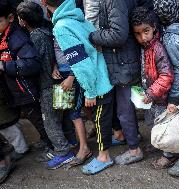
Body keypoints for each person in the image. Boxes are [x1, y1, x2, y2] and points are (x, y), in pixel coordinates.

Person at [42, 0, 113, 172]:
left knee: (99, 119)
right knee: (100, 117)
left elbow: (81, 63)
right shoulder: (78, 17)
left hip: (96, 81)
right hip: (103, 72)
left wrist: (90, 91)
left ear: (44, 3)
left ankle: (104, 157)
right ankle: (114, 137)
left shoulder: (62, 27)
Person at [16, 1, 75, 169]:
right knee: (63, 116)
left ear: (22, 21)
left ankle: (63, 152)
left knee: (50, 121)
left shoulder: (35, 37)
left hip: (47, 85)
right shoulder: (49, 29)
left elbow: (36, 63)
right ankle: (71, 142)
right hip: (62, 81)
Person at [89, 0, 144, 165]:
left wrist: (92, 35)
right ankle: (133, 137)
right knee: (126, 107)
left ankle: (135, 150)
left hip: (123, 62)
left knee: (124, 110)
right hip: (123, 61)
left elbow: (118, 35)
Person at [0, 1, 53, 151]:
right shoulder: (5, 35)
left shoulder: (17, 37)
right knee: (35, 118)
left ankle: (54, 148)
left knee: (40, 121)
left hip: (27, 90)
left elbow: (31, 64)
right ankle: (46, 140)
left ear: (10, 18)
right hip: (19, 90)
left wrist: (4, 66)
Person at [153, 0, 179, 177]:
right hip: (178, 88)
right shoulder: (176, 30)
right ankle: (169, 153)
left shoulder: (172, 38)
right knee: (170, 121)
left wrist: (175, 98)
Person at [130, 6, 174, 146]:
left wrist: (151, 93)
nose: (143, 37)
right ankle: (159, 147)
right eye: (138, 34)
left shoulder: (158, 48)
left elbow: (166, 75)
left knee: (164, 127)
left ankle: (168, 155)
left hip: (160, 99)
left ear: (154, 27)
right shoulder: (144, 47)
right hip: (150, 99)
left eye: (146, 31)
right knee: (152, 124)